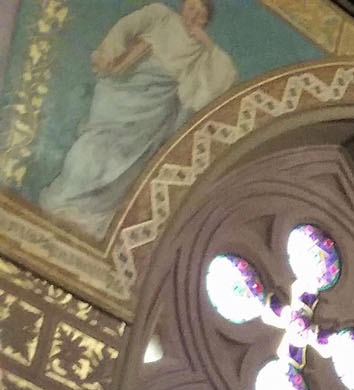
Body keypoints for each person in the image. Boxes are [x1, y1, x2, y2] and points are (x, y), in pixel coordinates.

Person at [38, 0, 236, 238]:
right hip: (127, 88)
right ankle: (65, 197)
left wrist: (206, 42)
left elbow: (226, 76)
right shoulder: (161, 16)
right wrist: (109, 52)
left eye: (201, 14)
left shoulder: (202, 52)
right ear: (183, 6)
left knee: (131, 162)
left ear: (205, 22)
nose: (193, 16)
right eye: (191, 8)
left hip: (156, 112)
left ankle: (92, 214)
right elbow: (127, 26)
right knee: (97, 143)